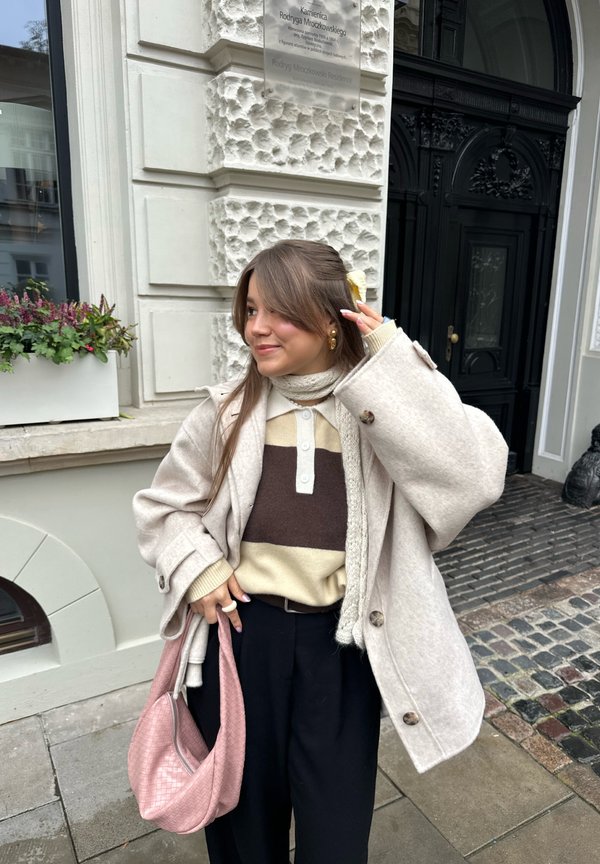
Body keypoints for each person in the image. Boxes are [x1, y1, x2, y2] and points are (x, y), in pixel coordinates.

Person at [133, 239, 508, 864]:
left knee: (335, 835)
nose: (256, 328)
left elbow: (474, 478)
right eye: (251, 310)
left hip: (343, 648)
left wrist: (392, 359)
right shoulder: (225, 413)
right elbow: (163, 507)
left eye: (278, 312)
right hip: (241, 641)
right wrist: (196, 569)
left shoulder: (381, 411)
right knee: (242, 828)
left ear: (332, 320)